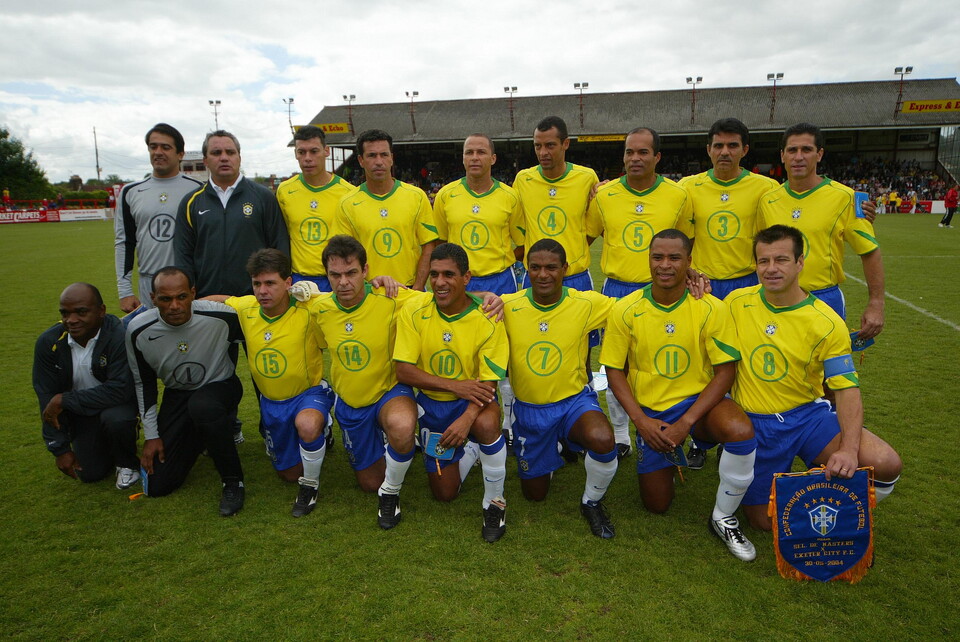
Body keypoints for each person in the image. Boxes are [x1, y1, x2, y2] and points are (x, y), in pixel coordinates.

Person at [728, 225, 901, 530]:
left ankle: (829, 491)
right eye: (763, 261)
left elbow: (846, 390)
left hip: (806, 417)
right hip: (757, 423)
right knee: (763, 522)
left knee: (885, 463)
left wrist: (848, 450)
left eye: (781, 260)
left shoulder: (826, 321)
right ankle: (807, 486)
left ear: (800, 262)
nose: (771, 268)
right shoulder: (735, 302)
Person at [601, 231, 759, 561]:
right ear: (648, 260)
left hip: (699, 409)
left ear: (689, 262)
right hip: (653, 414)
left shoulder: (710, 308)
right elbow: (614, 371)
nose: (665, 265)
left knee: (740, 430)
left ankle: (723, 516)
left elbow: (725, 372)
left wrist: (686, 423)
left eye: (674, 258)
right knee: (657, 505)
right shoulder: (626, 309)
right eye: (657, 257)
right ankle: (668, 458)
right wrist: (641, 422)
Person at [307, 235, 431, 529]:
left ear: (365, 270)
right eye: (335, 275)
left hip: (390, 391)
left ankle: (391, 492)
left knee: (402, 426)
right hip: (352, 401)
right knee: (368, 483)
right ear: (326, 275)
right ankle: (384, 448)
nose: (343, 282)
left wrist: (489, 298)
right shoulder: (318, 308)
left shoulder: (390, 297)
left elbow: (445, 296)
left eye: (351, 273)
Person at [501, 239, 620, 538]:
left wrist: (687, 278)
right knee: (535, 494)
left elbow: (634, 305)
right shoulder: (508, 305)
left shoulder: (586, 303)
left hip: (573, 403)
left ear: (565, 269)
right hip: (530, 410)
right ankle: (556, 444)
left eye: (551, 267)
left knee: (602, 439)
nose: (543, 274)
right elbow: (464, 301)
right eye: (535, 267)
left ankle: (591, 501)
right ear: (526, 269)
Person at [393, 243, 510, 542]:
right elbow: (403, 371)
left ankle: (494, 503)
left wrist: (467, 419)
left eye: (448, 274)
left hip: (475, 402)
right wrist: (455, 385)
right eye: (434, 274)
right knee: (445, 493)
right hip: (434, 404)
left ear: (466, 277)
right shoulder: (415, 308)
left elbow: (489, 382)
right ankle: (472, 450)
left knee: (487, 423)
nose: (439, 282)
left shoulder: (488, 316)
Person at [587, 126, 692, 455]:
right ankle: (622, 435)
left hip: (664, 292)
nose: (635, 158)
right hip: (617, 290)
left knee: (666, 362)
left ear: (657, 157)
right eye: (630, 152)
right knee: (616, 365)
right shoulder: (605, 195)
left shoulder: (677, 195)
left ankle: (671, 427)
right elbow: (589, 235)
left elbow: (686, 244)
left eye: (643, 152)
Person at [211, 249, 335, 517]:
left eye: (270, 283)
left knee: (307, 426)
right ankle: (318, 435)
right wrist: (184, 303)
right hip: (272, 403)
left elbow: (343, 297)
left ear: (288, 282)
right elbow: (218, 300)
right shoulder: (246, 308)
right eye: (257, 283)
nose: (262, 291)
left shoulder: (308, 308)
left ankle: (310, 485)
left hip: (308, 393)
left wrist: (314, 291)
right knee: (289, 474)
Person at [126, 267, 247, 516]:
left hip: (221, 387)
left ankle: (233, 481)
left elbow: (257, 340)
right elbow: (144, 383)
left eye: (181, 297)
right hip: (178, 394)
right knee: (158, 485)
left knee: (203, 406)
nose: (175, 306)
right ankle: (204, 437)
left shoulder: (222, 316)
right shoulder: (138, 330)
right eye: (165, 299)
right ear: (153, 298)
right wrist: (152, 435)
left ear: (193, 293)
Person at [433, 133, 524, 443]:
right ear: (462, 158)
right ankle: (467, 419)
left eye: (481, 152)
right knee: (464, 351)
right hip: (460, 284)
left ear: (492, 158)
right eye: (469, 152)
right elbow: (442, 243)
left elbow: (520, 244)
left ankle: (507, 422)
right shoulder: (446, 195)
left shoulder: (510, 197)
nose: (474, 157)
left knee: (504, 356)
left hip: (500, 281)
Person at [758, 123, 885, 339]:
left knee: (828, 361)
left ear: (819, 154)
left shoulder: (845, 198)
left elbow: (869, 252)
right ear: (782, 156)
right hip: (775, 299)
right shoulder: (767, 200)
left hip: (823, 298)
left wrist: (876, 303)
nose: (799, 157)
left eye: (807, 150)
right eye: (792, 150)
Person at [33, 283, 140, 488]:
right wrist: (60, 449)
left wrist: (65, 399)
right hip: (79, 412)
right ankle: (104, 444)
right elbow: (46, 397)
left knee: (117, 420)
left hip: (116, 407)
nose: (71, 320)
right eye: (65, 313)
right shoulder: (49, 342)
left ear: (101, 311)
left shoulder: (119, 335)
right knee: (91, 473)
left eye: (81, 312)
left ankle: (127, 463)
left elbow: (120, 389)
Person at [173, 130, 289, 298]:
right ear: (205, 160)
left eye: (230, 152)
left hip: (254, 300)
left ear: (239, 158)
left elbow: (280, 247)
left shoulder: (263, 197)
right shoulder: (191, 202)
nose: (224, 158)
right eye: (216, 153)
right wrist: (190, 293)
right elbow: (183, 255)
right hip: (207, 299)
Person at [115, 123, 203, 316]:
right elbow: (124, 243)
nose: (158, 152)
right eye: (153, 147)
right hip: (149, 283)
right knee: (153, 334)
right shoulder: (131, 191)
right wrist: (125, 291)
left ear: (180, 154)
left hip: (189, 283)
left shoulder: (199, 190)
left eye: (166, 147)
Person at [336, 129, 438, 290]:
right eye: (371, 155)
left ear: (391, 158)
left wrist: (417, 288)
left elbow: (429, 245)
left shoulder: (416, 196)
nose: (379, 161)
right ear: (361, 160)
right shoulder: (347, 203)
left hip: (410, 289)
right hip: (369, 291)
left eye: (384, 155)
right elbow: (344, 254)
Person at [276, 125, 356, 291]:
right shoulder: (285, 191)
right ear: (295, 154)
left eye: (314, 151)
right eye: (302, 152)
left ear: (326, 151)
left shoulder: (348, 192)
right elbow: (283, 234)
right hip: (298, 278)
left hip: (336, 279)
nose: (307, 158)